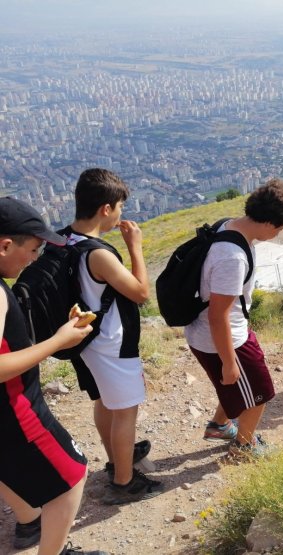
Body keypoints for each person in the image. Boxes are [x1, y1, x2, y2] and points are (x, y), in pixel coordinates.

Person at [0, 197, 108, 555]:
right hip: (17, 409)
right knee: (73, 475)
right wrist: (57, 341)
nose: (33, 259)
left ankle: (30, 521)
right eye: (32, 249)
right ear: (5, 245)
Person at [185, 179, 283, 460]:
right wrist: (228, 362)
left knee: (236, 388)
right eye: (280, 227)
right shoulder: (232, 257)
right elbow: (218, 316)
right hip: (223, 338)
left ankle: (219, 425)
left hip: (217, 332)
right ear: (269, 223)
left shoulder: (229, 226)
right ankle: (244, 447)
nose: (279, 233)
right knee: (261, 392)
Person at [64, 169, 161, 505]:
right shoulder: (99, 253)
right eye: (119, 206)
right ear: (106, 209)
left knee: (104, 402)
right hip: (112, 344)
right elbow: (141, 293)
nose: (120, 213)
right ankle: (124, 481)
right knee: (126, 411)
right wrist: (135, 247)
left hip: (84, 342)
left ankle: (114, 459)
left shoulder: (63, 239)